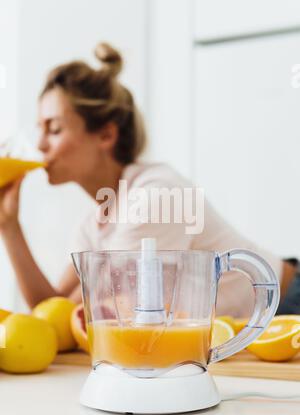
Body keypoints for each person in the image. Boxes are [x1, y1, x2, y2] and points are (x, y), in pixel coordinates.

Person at [0, 43, 298, 317]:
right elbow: (52, 312)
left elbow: (76, 317)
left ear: (106, 134)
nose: (40, 145)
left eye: (54, 129)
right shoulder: (94, 225)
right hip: (250, 325)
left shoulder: (155, 196)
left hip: (287, 307)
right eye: (39, 129)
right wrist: (9, 226)